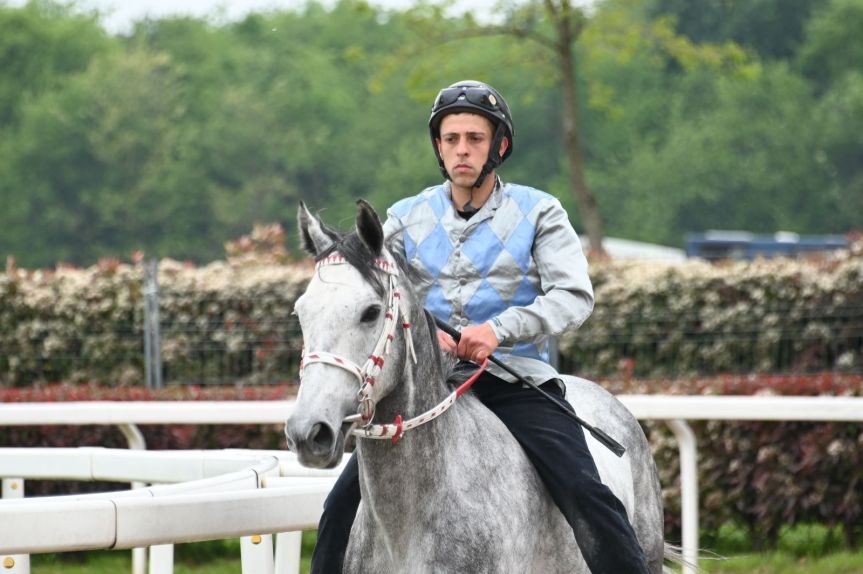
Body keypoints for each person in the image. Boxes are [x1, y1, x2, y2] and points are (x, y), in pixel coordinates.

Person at [311, 80, 650, 574]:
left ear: (499, 147)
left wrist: (498, 330)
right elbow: (385, 299)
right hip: (430, 390)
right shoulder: (404, 219)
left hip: (516, 380)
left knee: (586, 493)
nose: (462, 150)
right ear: (438, 147)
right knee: (337, 513)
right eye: (451, 139)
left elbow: (574, 297)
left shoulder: (539, 212)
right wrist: (428, 335)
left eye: (474, 138)